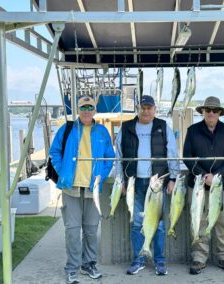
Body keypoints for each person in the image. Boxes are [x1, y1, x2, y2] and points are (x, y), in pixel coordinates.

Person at [49, 96, 115, 284]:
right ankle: (72, 268)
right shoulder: (67, 129)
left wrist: (100, 176)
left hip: (92, 189)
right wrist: (63, 172)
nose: (86, 110)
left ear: (95, 110)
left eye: (90, 107)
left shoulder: (102, 131)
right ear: (78, 109)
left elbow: (109, 157)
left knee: (91, 230)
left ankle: (89, 265)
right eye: (83, 107)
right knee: (72, 231)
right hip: (71, 189)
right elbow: (54, 152)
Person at [115, 95, 180, 276]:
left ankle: (160, 261)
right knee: (137, 223)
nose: (146, 111)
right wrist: (120, 180)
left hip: (157, 183)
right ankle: (139, 260)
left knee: (158, 225)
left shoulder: (163, 127)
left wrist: (173, 178)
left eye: (149, 108)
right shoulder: (126, 128)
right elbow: (118, 156)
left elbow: (172, 154)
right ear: (138, 108)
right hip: (134, 183)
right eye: (143, 107)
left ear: (155, 109)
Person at [183, 96, 224, 275]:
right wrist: (202, 175)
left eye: (215, 110)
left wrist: (218, 176)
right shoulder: (192, 130)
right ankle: (199, 257)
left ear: (220, 113)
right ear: (203, 112)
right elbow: (187, 157)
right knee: (199, 221)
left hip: (222, 185)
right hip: (198, 185)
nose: (212, 113)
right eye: (208, 110)